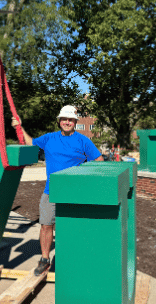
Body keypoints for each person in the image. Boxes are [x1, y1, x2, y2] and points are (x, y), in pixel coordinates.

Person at [12, 105, 104, 276]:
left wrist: (82, 174)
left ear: (75, 122)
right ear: (59, 121)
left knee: (69, 228)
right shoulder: (49, 138)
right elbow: (30, 141)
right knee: (46, 225)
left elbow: (99, 160)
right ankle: (45, 259)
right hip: (51, 191)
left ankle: (69, 260)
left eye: (70, 120)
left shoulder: (83, 140)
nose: (67, 122)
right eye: (64, 119)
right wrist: (19, 126)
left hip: (73, 193)